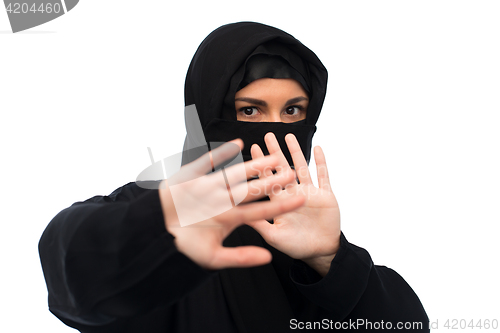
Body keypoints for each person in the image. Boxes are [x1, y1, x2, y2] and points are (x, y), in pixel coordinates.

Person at [39, 22, 428, 332]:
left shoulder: (309, 235)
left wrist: (332, 260)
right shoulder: (152, 211)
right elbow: (71, 273)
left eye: (293, 111)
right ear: (204, 114)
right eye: (250, 111)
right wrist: (162, 228)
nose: (275, 132)